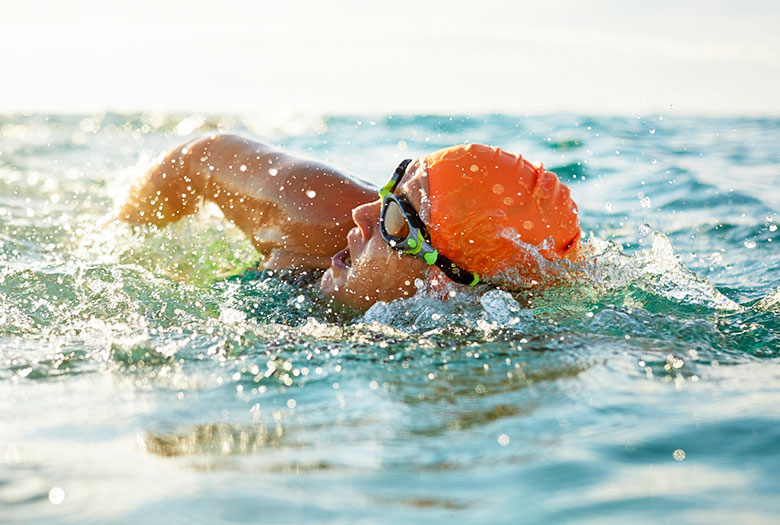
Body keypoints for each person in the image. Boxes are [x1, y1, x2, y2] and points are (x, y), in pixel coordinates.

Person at [119, 134, 581, 310]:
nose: (364, 215)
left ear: (447, 284)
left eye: (398, 219)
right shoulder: (311, 210)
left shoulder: (494, 326)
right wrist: (120, 238)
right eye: (393, 188)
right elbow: (199, 157)